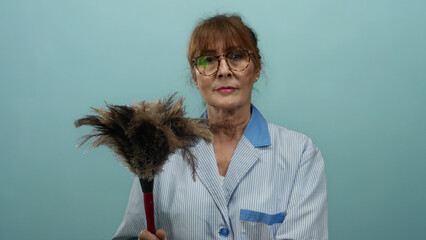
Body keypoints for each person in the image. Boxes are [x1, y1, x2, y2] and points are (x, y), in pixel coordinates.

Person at [112, 13, 328, 240]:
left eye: (236, 56)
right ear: (195, 77)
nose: (224, 70)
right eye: (208, 60)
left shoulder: (300, 154)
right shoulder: (160, 152)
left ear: (256, 70)